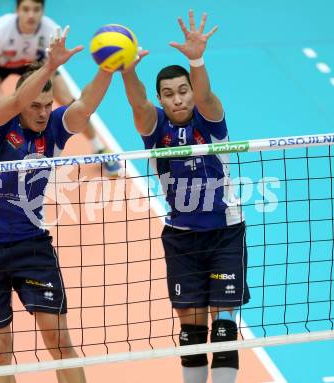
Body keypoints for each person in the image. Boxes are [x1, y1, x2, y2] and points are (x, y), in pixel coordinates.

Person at [0, 26, 113, 383]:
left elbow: (86, 105)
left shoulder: (55, 129)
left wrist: (108, 67)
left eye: (48, 105)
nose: (43, 113)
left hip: (32, 247)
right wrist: (48, 67)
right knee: (0, 352)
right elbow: (13, 102)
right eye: (35, 105)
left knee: (60, 342)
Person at [120, 10, 249, 383]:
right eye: (168, 94)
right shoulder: (155, 126)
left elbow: (207, 94)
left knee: (223, 330)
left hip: (225, 233)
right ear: (161, 98)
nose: (177, 100)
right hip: (182, 239)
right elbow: (138, 106)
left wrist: (197, 58)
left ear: (191, 91)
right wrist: (127, 70)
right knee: (192, 335)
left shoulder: (209, 120)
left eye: (183, 91)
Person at [0, 0, 119, 176]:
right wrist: (7, 102)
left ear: (42, 11)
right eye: (26, 9)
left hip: (37, 66)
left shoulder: (51, 30)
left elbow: (50, 67)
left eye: (36, 10)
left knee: (73, 105)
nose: (31, 15)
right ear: (17, 11)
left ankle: (99, 148)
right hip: (0, 65)